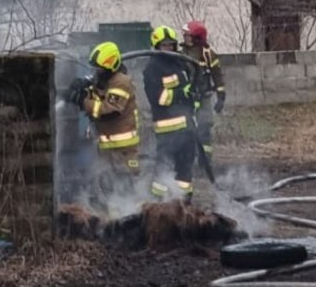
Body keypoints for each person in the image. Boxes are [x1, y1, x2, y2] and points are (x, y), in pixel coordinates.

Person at [69, 41, 141, 204]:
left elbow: (110, 110)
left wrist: (82, 102)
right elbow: (99, 97)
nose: (96, 71)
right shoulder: (106, 80)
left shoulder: (121, 82)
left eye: (99, 68)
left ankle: (128, 217)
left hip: (122, 148)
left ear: (110, 67)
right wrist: (83, 89)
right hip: (108, 146)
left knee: (124, 187)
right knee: (108, 186)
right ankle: (114, 217)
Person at [143, 26, 197, 199]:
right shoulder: (152, 68)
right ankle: (159, 203)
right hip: (167, 127)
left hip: (187, 126)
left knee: (186, 165)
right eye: (164, 45)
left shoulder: (180, 63)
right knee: (164, 165)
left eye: (171, 45)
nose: (169, 48)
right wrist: (183, 92)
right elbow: (159, 98)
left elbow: (191, 88)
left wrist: (193, 97)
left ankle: (184, 201)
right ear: (156, 46)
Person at [181, 20, 224, 166]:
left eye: (188, 35)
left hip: (204, 98)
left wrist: (221, 97)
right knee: (187, 131)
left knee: (204, 130)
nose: (185, 37)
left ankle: (205, 163)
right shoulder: (181, 53)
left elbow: (217, 75)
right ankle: (188, 162)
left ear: (197, 37)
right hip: (187, 99)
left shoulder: (208, 54)